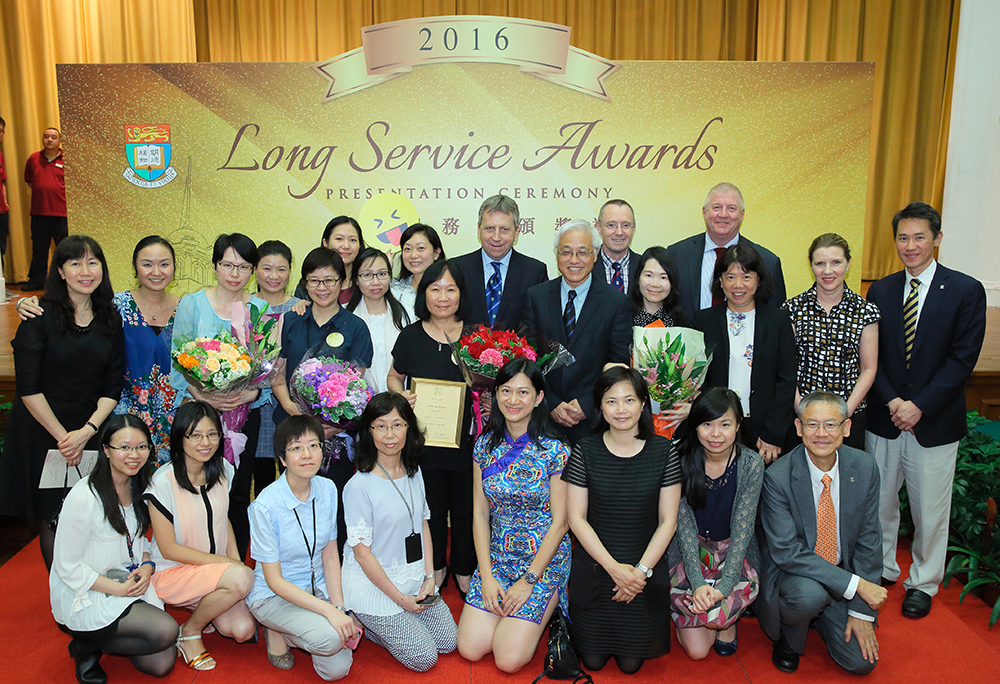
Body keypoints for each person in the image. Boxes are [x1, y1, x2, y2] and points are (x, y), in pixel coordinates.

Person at [865, 202, 987, 619]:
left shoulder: (966, 290)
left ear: (937, 239)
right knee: (880, 503)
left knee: (930, 511)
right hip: (885, 417)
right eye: (903, 237)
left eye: (919, 237)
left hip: (934, 421)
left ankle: (923, 582)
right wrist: (893, 402)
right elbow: (872, 358)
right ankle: (883, 568)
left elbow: (961, 360)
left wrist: (919, 406)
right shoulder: (880, 290)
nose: (910, 245)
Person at [0, 235, 123, 570]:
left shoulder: (110, 318)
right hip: (45, 430)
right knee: (53, 515)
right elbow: (28, 387)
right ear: (60, 271)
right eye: (75, 263)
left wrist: (87, 431)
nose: (86, 271)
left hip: (90, 428)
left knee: (91, 510)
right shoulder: (38, 316)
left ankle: (92, 586)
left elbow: (113, 385)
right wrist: (64, 439)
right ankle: (64, 593)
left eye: (93, 262)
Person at [15, 235, 181, 467]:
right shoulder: (117, 306)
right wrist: (22, 303)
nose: (156, 271)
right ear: (135, 267)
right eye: (147, 264)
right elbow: (28, 385)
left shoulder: (185, 308)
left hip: (164, 417)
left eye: (164, 264)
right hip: (118, 419)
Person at [562, 367, 682, 674]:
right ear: (600, 407)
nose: (621, 409)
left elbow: (668, 521)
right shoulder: (585, 450)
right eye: (611, 401)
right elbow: (576, 519)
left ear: (643, 403)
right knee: (592, 662)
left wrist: (639, 573)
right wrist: (615, 570)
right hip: (597, 569)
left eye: (629, 400)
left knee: (631, 666)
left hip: (643, 571)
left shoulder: (664, 451)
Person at [758, 391, 887, 675]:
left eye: (831, 424)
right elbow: (787, 552)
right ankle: (789, 634)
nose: (821, 434)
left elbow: (869, 541)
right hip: (795, 575)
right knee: (808, 596)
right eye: (812, 424)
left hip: (841, 572)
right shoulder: (778, 477)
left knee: (861, 663)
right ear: (798, 427)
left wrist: (861, 611)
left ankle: (825, 616)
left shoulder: (864, 467)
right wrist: (856, 585)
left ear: (847, 428)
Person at [458, 358, 571, 673]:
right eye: (506, 391)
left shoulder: (556, 450)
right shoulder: (484, 446)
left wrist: (528, 581)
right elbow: (480, 513)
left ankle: (552, 605)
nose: (513, 400)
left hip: (542, 562)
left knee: (507, 659)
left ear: (538, 397)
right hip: (498, 558)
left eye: (523, 392)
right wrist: (487, 574)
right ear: (496, 395)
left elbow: (561, 522)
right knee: (469, 648)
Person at [50, 415, 178, 683]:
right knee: (166, 631)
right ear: (106, 450)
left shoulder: (138, 486)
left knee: (161, 664)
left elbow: (139, 541)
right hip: (89, 589)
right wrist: (117, 589)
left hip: (125, 579)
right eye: (124, 447)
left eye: (142, 447)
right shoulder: (85, 496)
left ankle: (93, 640)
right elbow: (66, 565)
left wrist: (147, 565)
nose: (134, 455)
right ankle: (86, 645)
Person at [169, 232, 268, 560]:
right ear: (214, 265)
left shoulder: (258, 309)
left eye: (243, 267)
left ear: (252, 270)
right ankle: (198, 560)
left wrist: (248, 394)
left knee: (237, 490)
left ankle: (236, 562)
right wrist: (203, 395)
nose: (235, 274)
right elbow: (178, 360)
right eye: (227, 265)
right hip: (201, 416)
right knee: (198, 487)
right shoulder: (192, 303)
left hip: (244, 415)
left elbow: (268, 368)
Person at [343, 392, 457, 671]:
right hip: (376, 587)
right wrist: (399, 599)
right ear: (369, 431)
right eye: (381, 426)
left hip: (413, 577)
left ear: (409, 427)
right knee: (424, 658)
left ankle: (396, 622)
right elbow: (362, 555)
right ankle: (368, 621)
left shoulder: (414, 471)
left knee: (449, 642)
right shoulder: (358, 486)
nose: (390, 435)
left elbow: (423, 524)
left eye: (397, 425)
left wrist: (430, 577)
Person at [272, 247, 374, 552]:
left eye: (330, 280)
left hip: (334, 436)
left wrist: (331, 425)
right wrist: (291, 408)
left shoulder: (355, 327)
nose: (322, 288)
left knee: (334, 507)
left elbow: (356, 388)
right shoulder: (291, 320)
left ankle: (334, 568)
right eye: (314, 281)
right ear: (305, 283)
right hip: (292, 429)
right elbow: (277, 373)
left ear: (342, 282)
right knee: (293, 505)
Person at [144, 401, 256, 670]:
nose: (205, 443)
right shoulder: (163, 481)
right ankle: (190, 632)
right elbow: (169, 549)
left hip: (213, 572)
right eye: (195, 435)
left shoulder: (224, 470)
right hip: (174, 571)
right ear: (179, 437)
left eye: (212, 434)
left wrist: (234, 561)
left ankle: (203, 607)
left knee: (242, 630)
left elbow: (223, 519)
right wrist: (228, 566)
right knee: (242, 578)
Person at [248, 414, 360, 680]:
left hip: (317, 589)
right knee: (332, 638)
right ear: (282, 458)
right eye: (296, 448)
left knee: (337, 671)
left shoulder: (328, 489)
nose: (307, 455)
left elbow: (330, 554)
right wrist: (329, 612)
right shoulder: (265, 506)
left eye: (313, 445)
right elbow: (274, 581)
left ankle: (294, 630)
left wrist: (339, 607)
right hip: (274, 596)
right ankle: (275, 628)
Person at [387, 258, 475, 594]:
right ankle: (436, 566)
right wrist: (401, 395)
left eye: (450, 289)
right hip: (425, 442)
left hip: (467, 440)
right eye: (435, 289)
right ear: (424, 293)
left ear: (461, 294)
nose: (442, 297)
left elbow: (492, 383)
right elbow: (393, 376)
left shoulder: (477, 336)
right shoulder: (411, 336)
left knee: (466, 508)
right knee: (431, 508)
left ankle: (464, 568)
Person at [667, 388, 762, 660]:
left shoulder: (751, 464)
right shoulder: (680, 459)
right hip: (690, 554)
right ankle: (709, 619)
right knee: (698, 652)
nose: (716, 434)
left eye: (725, 424)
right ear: (695, 426)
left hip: (734, 555)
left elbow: (743, 530)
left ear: (738, 425)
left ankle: (725, 622)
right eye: (707, 424)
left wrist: (723, 588)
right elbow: (684, 530)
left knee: (716, 618)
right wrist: (698, 584)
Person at [523, 219, 632, 444]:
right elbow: (527, 357)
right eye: (566, 252)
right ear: (557, 255)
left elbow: (618, 364)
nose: (574, 260)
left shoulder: (615, 302)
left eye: (582, 252)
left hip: (594, 422)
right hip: (544, 419)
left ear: (595, 254)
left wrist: (588, 403)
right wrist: (551, 402)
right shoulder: (536, 296)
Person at [694, 243, 796, 464]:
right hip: (717, 428)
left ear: (758, 280)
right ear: (720, 281)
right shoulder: (702, 321)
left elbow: (787, 380)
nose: (738, 285)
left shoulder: (778, 321)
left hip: (764, 431)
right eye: (730, 277)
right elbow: (698, 379)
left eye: (746, 276)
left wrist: (773, 434)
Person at [782, 234, 879, 450]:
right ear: (811, 266)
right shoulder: (792, 309)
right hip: (802, 418)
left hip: (849, 417)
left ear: (848, 264)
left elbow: (869, 368)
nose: (828, 271)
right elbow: (784, 366)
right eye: (820, 264)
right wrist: (802, 411)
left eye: (836, 262)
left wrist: (843, 414)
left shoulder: (865, 311)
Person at [667, 182, 786, 320]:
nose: (723, 214)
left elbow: (776, 321)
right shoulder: (676, 255)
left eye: (731, 208)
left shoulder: (768, 262)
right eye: (717, 207)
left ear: (742, 215)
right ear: (704, 212)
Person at [451, 194, 547, 329]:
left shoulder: (535, 272)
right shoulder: (456, 268)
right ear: (478, 230)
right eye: (489, 228)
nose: (496, 237)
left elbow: (541, 325)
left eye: (504, 229)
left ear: (516, 232)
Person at [253, 240, 302, 494]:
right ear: (255, 270)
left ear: (290, 271)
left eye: (281, 269)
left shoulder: (300, 308)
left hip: (289, 405)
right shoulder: (244, 306)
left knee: (291, 475)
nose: (274, 276)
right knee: (258, 475)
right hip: (250, 405)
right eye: (267, 268)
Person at [347, 247, 410, 393]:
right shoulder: (346, 317)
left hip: (400, 399)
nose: (376, 282)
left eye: (382, 274)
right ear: (356, 279)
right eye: (367, 275)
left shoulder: (408, 314)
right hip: (359, 400)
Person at [22, 127, 68, 291]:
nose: (49, 140)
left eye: (53, 137)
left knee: (64, 250)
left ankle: (64, 282)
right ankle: (36, 280)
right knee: (39, 249)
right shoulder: (34, 159)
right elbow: (30, 181)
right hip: (39, 214)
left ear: (59, 141)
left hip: (62, 214)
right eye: (46, 136)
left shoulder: (67, 159)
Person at [293, 216, 365, 304]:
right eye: (339, 239)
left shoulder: (367, 283)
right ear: (325, 243)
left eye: (353, 240)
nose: (346, 246)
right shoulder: (307, 286)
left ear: (360, 245)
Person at [391, 223, 445, 321]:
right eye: (407, 249)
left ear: (436, 253)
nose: (413, 255)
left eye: (420, 248)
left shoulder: (449, 289)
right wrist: (384, 268)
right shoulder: (395, 289)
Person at [591, 199, 640, 294]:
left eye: (626, 225)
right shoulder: (586, 267)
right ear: (599, 228)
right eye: (611, 225)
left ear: (633, 228)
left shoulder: (645, 267)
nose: (619, 232)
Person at [631, 246, 684, 328]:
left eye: (663, 277)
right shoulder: (624, 317)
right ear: (638, 278)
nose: (655, 284)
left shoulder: (682, 322)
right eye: (649, 275)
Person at [0, 116, 8, 258]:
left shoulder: (0, 155)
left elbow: (2, 182)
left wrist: (5, 204)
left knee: (1, 249)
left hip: (1, 211)